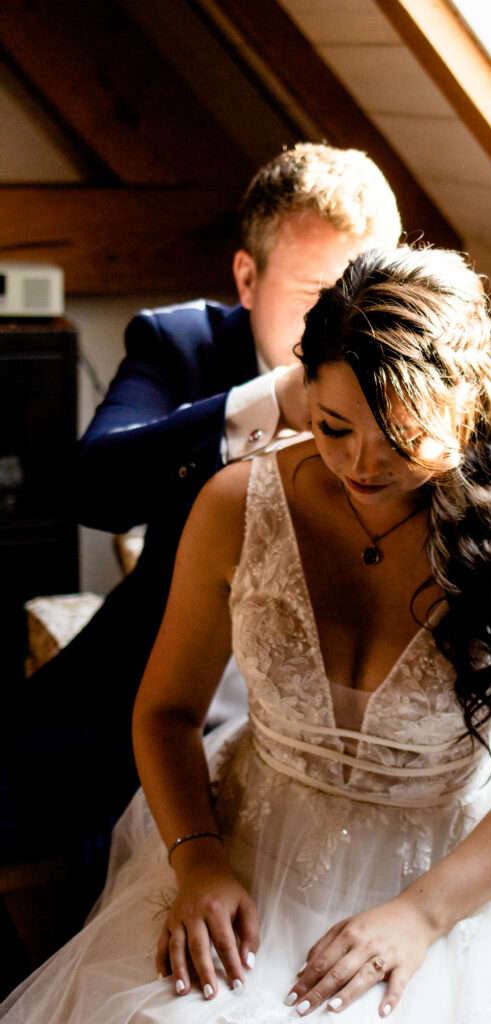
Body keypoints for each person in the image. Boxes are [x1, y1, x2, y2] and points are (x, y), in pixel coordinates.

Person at [0, 246, 491, 1023]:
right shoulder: (235, 504)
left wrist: (421, 915)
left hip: (442, 875)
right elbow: (166, 711)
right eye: (334, 427)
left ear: (463, 410)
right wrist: (198, 861)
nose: (361, 466)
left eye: (400, 439)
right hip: (247, 848)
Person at [0, 143, 401, 884]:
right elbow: (94, 489)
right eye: (319, 294)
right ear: (247, 278)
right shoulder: (179, 341)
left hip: (339, 725)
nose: (349, 325)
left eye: (367, 292)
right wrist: (271, 400)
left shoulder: (421, 378)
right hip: (155, 681)